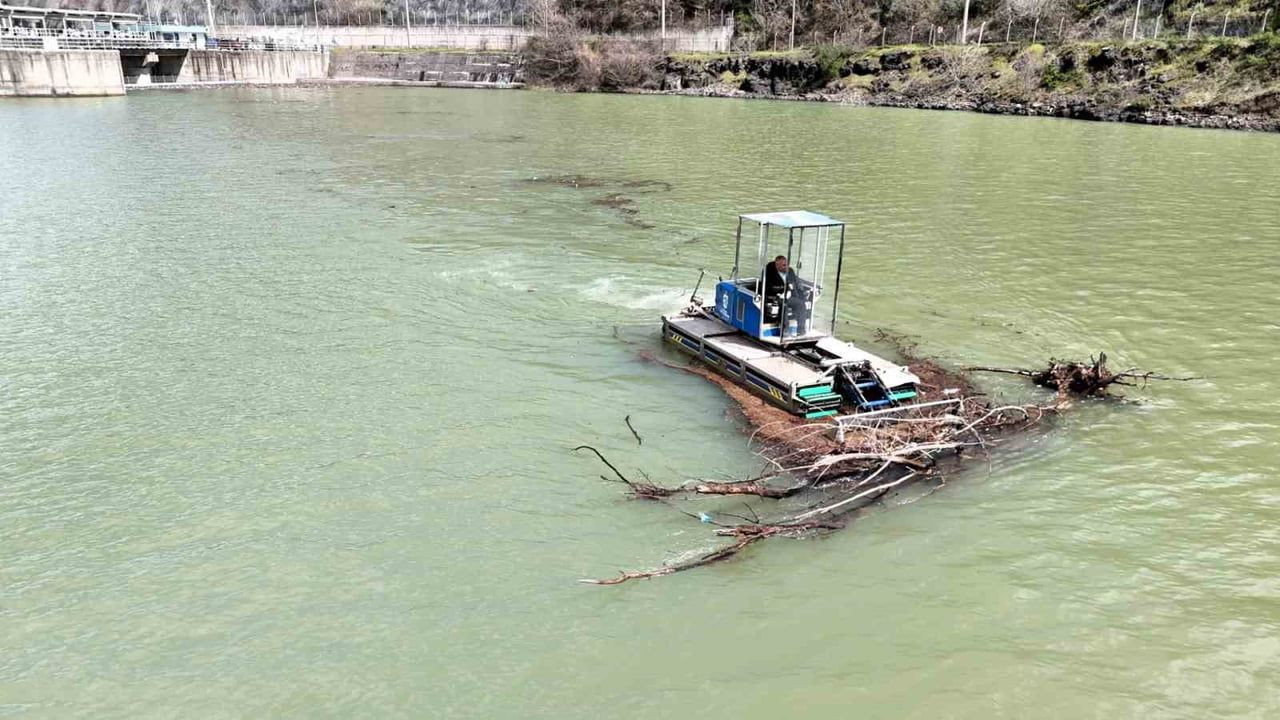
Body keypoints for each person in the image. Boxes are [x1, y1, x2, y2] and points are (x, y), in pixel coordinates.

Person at [763, 255, 809, 335]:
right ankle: (785, 330)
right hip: (775, 296)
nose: (786, 267)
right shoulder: (769, 271)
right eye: (784, 265)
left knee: (801, 304)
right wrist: (785, 289)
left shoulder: (790, 271)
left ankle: (801, 330)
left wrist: (799, 293)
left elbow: (795, 283)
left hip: (789, 296)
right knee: (784, 305)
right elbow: (769, 287)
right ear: (777, 265)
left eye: (787, 264)